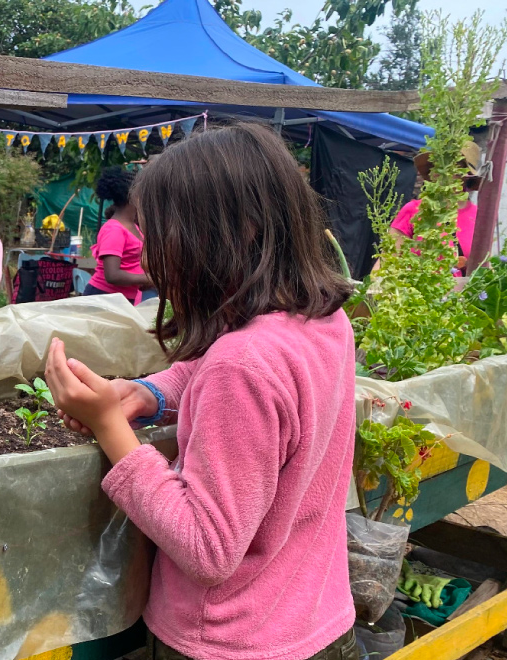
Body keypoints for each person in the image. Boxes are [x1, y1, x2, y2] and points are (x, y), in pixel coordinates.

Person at [46, 124, 358, 660]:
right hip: (315, 621)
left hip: (229, 642)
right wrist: (148, 393)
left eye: (159, 232)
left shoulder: (242, 365)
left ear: (232, 232)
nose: (151, 252)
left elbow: (208, 548)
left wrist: (111, 429)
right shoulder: (324, 322)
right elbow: (238, 374)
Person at [388, 143, 481, 271]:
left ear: (466, 175)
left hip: (460, 290)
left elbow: (484, 269)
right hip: (414, 289)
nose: (440, 172)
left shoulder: (479, 216)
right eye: (437, 164)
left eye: (451, 166)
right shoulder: (414, 210)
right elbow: (387, 261)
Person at [84, 167, 153, 304]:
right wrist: (149, 279)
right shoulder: (114, 229)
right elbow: (112, 275)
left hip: (123, 299)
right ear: (133, 196)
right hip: (104, 298)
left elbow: (130, 265)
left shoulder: (134, 227)